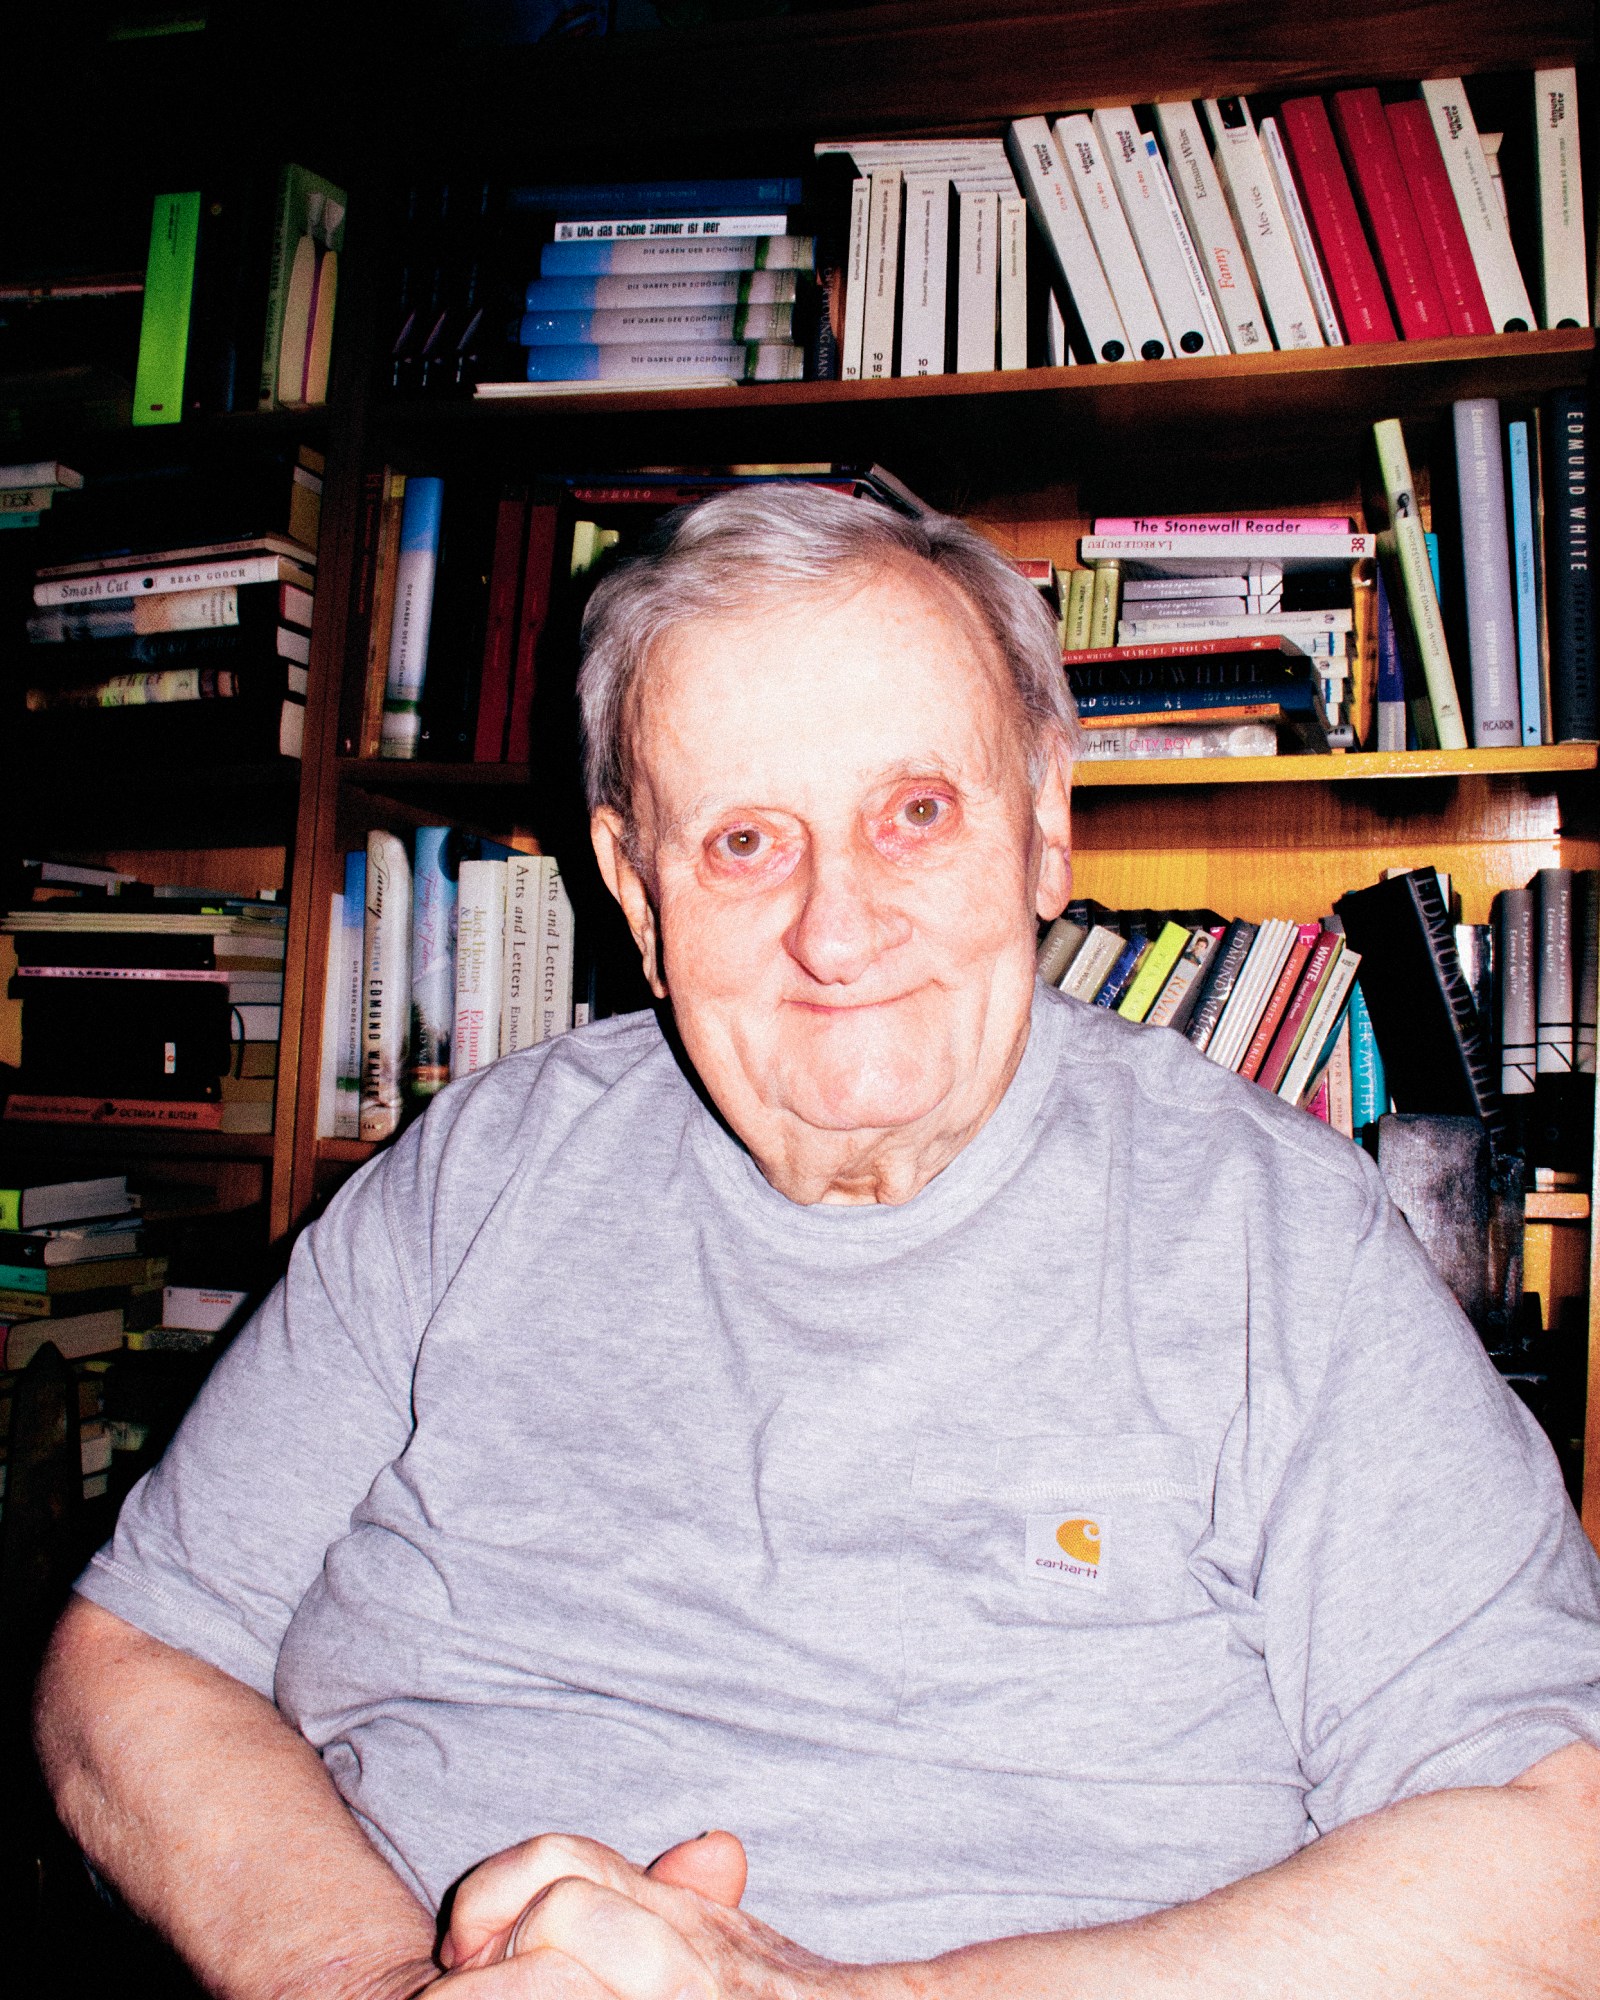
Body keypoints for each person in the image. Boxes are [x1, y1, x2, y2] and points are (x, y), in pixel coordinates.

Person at [35, 486, 1600, 2000]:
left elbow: (1563, 1867)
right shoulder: (472, 1180)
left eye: (915, 814)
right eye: (739, 845)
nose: (835, 932)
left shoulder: (1277, 1248)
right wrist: (367, 1980)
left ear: (1046, 823)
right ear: (635, 892)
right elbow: (136, 1657)